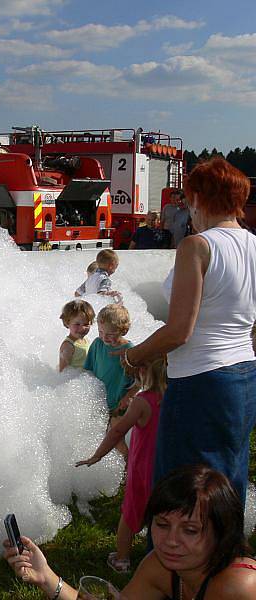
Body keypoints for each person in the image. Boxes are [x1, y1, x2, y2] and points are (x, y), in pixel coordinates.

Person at [123, 158, 256, 510]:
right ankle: (224, 555)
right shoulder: (253, 245)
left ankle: (177, 559)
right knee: (228, 475)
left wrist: (134, 356)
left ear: (198, 198)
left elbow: (180, 330)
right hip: (244, 375)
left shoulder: (198, 246)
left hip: (200, 379)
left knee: (183, 482)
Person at [5, 465, 256, 599]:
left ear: (222, 531)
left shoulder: (241, 588)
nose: (170, 541)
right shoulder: (160, 566)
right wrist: (46, 576)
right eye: (162, 524)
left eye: (190, 530)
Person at [76, 355, 166, 573]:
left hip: (142, 471)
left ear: (143, 373)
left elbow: (117, 430)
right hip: (165, 468)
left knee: (130, 515)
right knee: (162, 513)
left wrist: (97, 455)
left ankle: (122, 560)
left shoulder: (143, 401)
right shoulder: (174, 398)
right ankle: (160, 556)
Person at [84, 304, 136, 457]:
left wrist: (128, 398)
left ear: (123, 331)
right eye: (100, 331)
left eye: (110, 333)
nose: (104, 337)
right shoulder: (97, 344)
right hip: (100, 400)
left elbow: (140, 380)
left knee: (116, 439)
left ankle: (130, 467)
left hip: (119, 403)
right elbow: (88, 371)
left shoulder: (129, 350)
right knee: (101, 436)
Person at [58, 300, 95, 372]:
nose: (82, 328)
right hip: (74, 381)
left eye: (86, 324)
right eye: (77, 324)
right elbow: (62, 372)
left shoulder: (85, 340)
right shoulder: (68, 346)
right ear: (67, 323)